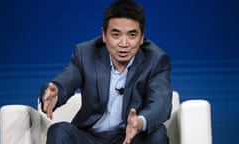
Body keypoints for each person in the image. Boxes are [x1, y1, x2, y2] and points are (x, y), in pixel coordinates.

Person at [40, 0, 172, 143]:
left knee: (158, 133)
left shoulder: (156, 59)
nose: (123, 44)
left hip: (132, 138)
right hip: (91, 137)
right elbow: (67, 80)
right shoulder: (86, 53)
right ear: (104, 35)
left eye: (132, 35)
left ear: (141, 37)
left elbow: (161, 103)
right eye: (116, 35)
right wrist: (56, 92)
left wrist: (139, 122)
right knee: (59, 131)